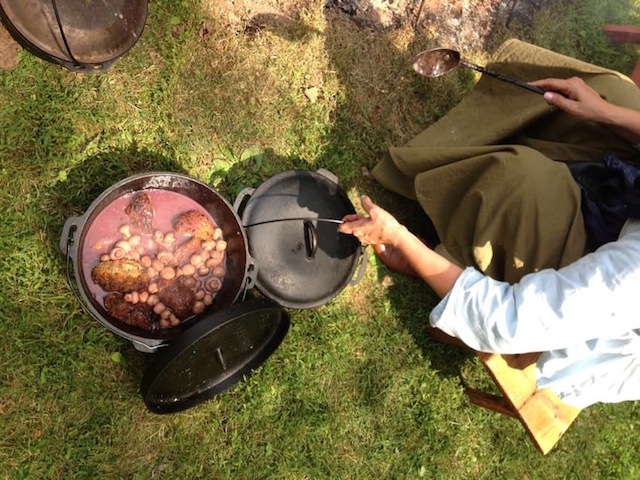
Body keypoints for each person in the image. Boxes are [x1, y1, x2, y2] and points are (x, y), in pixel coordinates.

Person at [337, 39, 640, 409]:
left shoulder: (630, 280)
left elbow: (509, 320)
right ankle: (503, 142)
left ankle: (450, 251)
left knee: (522, 180)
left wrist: (401, 240)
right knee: (613, 94)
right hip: (623, 215)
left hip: (578, 336)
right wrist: (605, 113)